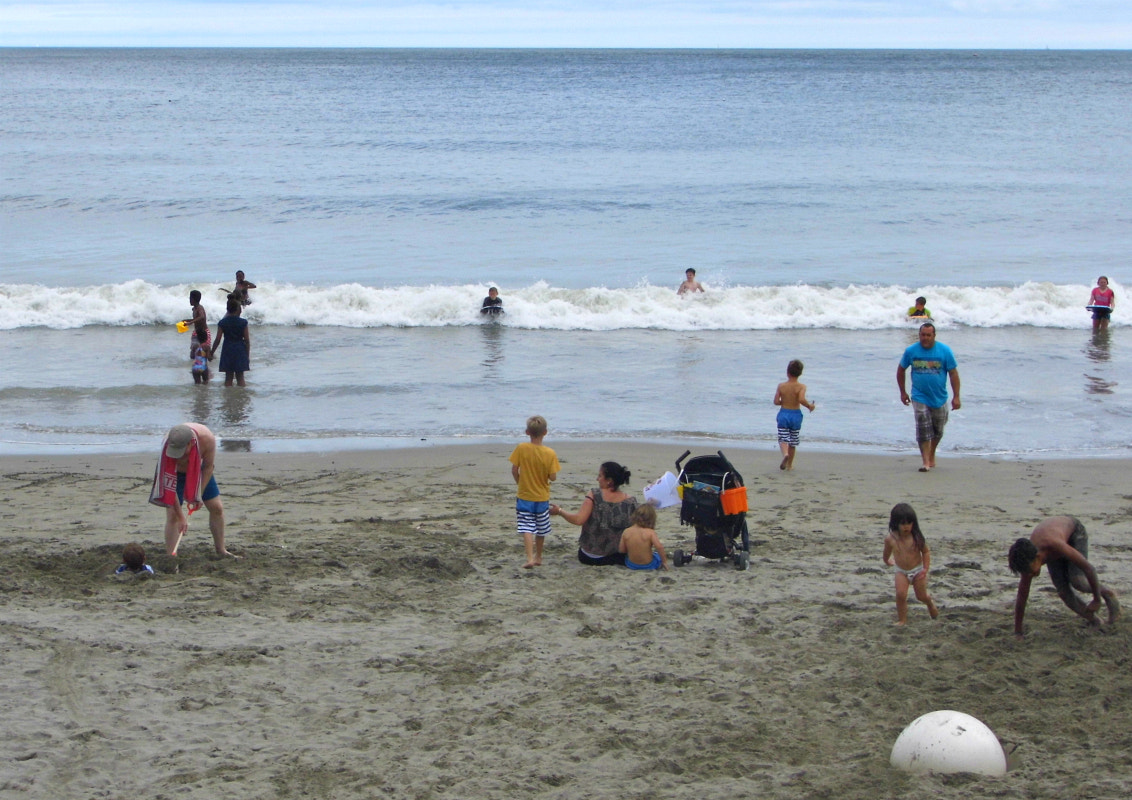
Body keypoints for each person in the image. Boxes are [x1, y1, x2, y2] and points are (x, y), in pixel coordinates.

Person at [1008, 516, 1120, 638]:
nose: (1029, 575)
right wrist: (1018, 631)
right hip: (1053, 543)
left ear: (1038, 557)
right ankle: (1095, 620)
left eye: (1030, 571)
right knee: (1063, 593)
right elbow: (1022, 595)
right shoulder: (1027, 561)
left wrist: (1096, 599)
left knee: (1078, 582)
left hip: (1073, 533)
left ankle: (1108, 593)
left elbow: (1088, 568)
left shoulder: (1053, 544)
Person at [149, 423, 235, 557]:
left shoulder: (207, 439)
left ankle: (221, 550)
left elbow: (208, 468)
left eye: (181, 451)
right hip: (174, 473)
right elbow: (169, 486)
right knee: (173, 515)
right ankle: (172, 557)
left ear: (191, 443)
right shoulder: (167, 444)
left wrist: (198, 495)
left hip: (198, 472)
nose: (177, 456)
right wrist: (182, 517)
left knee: (217, 508)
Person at [896, 322, 960, 472]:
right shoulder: (911, 351)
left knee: (938, 430)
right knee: (923, 426)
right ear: (919, 335)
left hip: (939, 397)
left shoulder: (944, 351)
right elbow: (900, 370)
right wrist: (903, 392)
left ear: (934, 336)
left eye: (928, 335)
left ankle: (931, 454)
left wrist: (956, 396)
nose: (925, 338)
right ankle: (925, 461)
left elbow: (953, 374)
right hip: (919, 395)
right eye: (922, 335)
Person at [550, 461, 638, 566]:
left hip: (590, 556)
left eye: (600, 476)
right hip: (617, 555)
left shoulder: (595, 495)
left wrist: (560, 511)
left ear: (609, 481)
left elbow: (579, 520)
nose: (597, 479)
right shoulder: (630, 501)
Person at [509, 415, 560, 569]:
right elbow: (553, 477)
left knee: (526, 527)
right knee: (541, 527)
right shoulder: (550, 453)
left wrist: (520, 483)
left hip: (525, 495)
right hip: (542, 496)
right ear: (545, 432)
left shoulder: (522, 448)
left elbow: (514, 469)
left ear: (527, 432)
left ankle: (530, 557)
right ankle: (538, 556)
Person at [882, 503, 939, 625]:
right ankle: (902, 619)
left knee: (921, 596)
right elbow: (886, 553)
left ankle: (929, 603)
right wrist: (887, 561)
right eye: (903, 523)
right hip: (901, 571)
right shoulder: (890, 539)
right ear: (896, 523)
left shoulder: (916, 537)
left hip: (917, 570)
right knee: (900, 595)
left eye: (909, 523)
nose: (906, 527)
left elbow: (925, 551)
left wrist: (925, 568)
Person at [773, 359, 816, 471]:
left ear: (787, 372)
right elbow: (801, 399)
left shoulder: (781, 386)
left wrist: (785, 401)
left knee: (783, 438)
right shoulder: (801, 387)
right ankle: (789, 465)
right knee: (793, 441)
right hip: (796, 415)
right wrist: (809, 406)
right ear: (800, 373)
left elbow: (776, 402)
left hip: (784, 414)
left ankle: (785, 454)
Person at [211, 298, 250, 387]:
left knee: (228, 378)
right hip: (240, 349)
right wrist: (247, 355)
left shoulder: (222, 322)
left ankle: (228, 399)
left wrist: (212, 352)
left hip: (227, 349)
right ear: (238, 309)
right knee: (240, 377)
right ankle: (242, 397)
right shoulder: (243, 322)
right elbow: (247, 340)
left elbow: (217, 339)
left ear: (227, 309)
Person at [619, 504, 668, 571]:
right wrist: (664, 561)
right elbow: (659, 547)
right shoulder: (650, 532)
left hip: (631, 564)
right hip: (649, 565)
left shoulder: (626, 531)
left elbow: (622, 550)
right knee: (657, 556)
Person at [183, 290, 210, 361]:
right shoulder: (194, 309)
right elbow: (197, 318)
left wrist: (190, 322)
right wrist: (188, 320)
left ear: (194, 299)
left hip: (204, 332)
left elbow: (202, 317)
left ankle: (210, 359)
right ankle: (195, 364)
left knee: (204, 351)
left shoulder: (199, 308)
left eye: (190, 298)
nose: (189, 300)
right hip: (196, 332)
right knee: (193, 353)